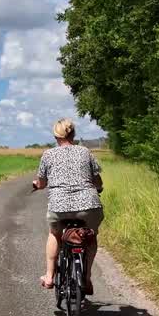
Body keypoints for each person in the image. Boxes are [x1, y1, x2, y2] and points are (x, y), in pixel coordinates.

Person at [32, 118, 103, 293]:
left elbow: (41, 183)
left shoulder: (48, 155)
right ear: (73, 134)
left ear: (56, 136)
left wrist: (36, 185)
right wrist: (99, 188)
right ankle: (86, 279)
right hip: (88, 205)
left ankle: (49, 276)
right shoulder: (85, 152)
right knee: (91, 236)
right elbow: (97, 180)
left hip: (59, 207)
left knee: (55, 234)